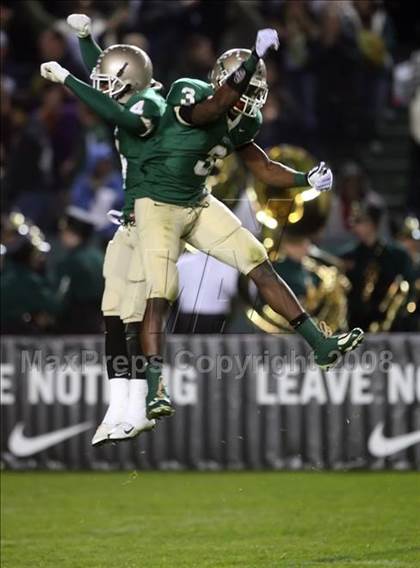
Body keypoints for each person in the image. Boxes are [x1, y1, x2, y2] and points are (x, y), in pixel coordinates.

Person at [125, 35, 364, 429]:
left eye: (256, 89)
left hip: (196, 200)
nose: (249, 97)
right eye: (246, 85)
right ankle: (154, 387)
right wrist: (255, 57)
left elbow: (264, 167)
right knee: (162, 290)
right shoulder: (193, 92)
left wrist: (307, 178)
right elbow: (213, 107)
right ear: (223, 79)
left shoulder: (244, 119)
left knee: (258, 260)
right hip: (158, 204)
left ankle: (320, 344)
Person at [41, 13, 166, 445]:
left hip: (157, 221)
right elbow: (107, 78)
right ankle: (119, 407)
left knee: (132, 320)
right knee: (113, 316)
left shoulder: (149, 105)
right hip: (132, 221)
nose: (106, 87)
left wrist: (67, 81)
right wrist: (85, 39)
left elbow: (112, 105)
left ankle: (142, 405)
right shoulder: (132, 92)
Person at [341, 203, 413, 331]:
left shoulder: (397, 255)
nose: (354, 226)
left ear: (373, 224)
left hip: (392, 326)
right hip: (356, 325)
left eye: (359, 221)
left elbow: (408, 287)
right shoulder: (348, 256)